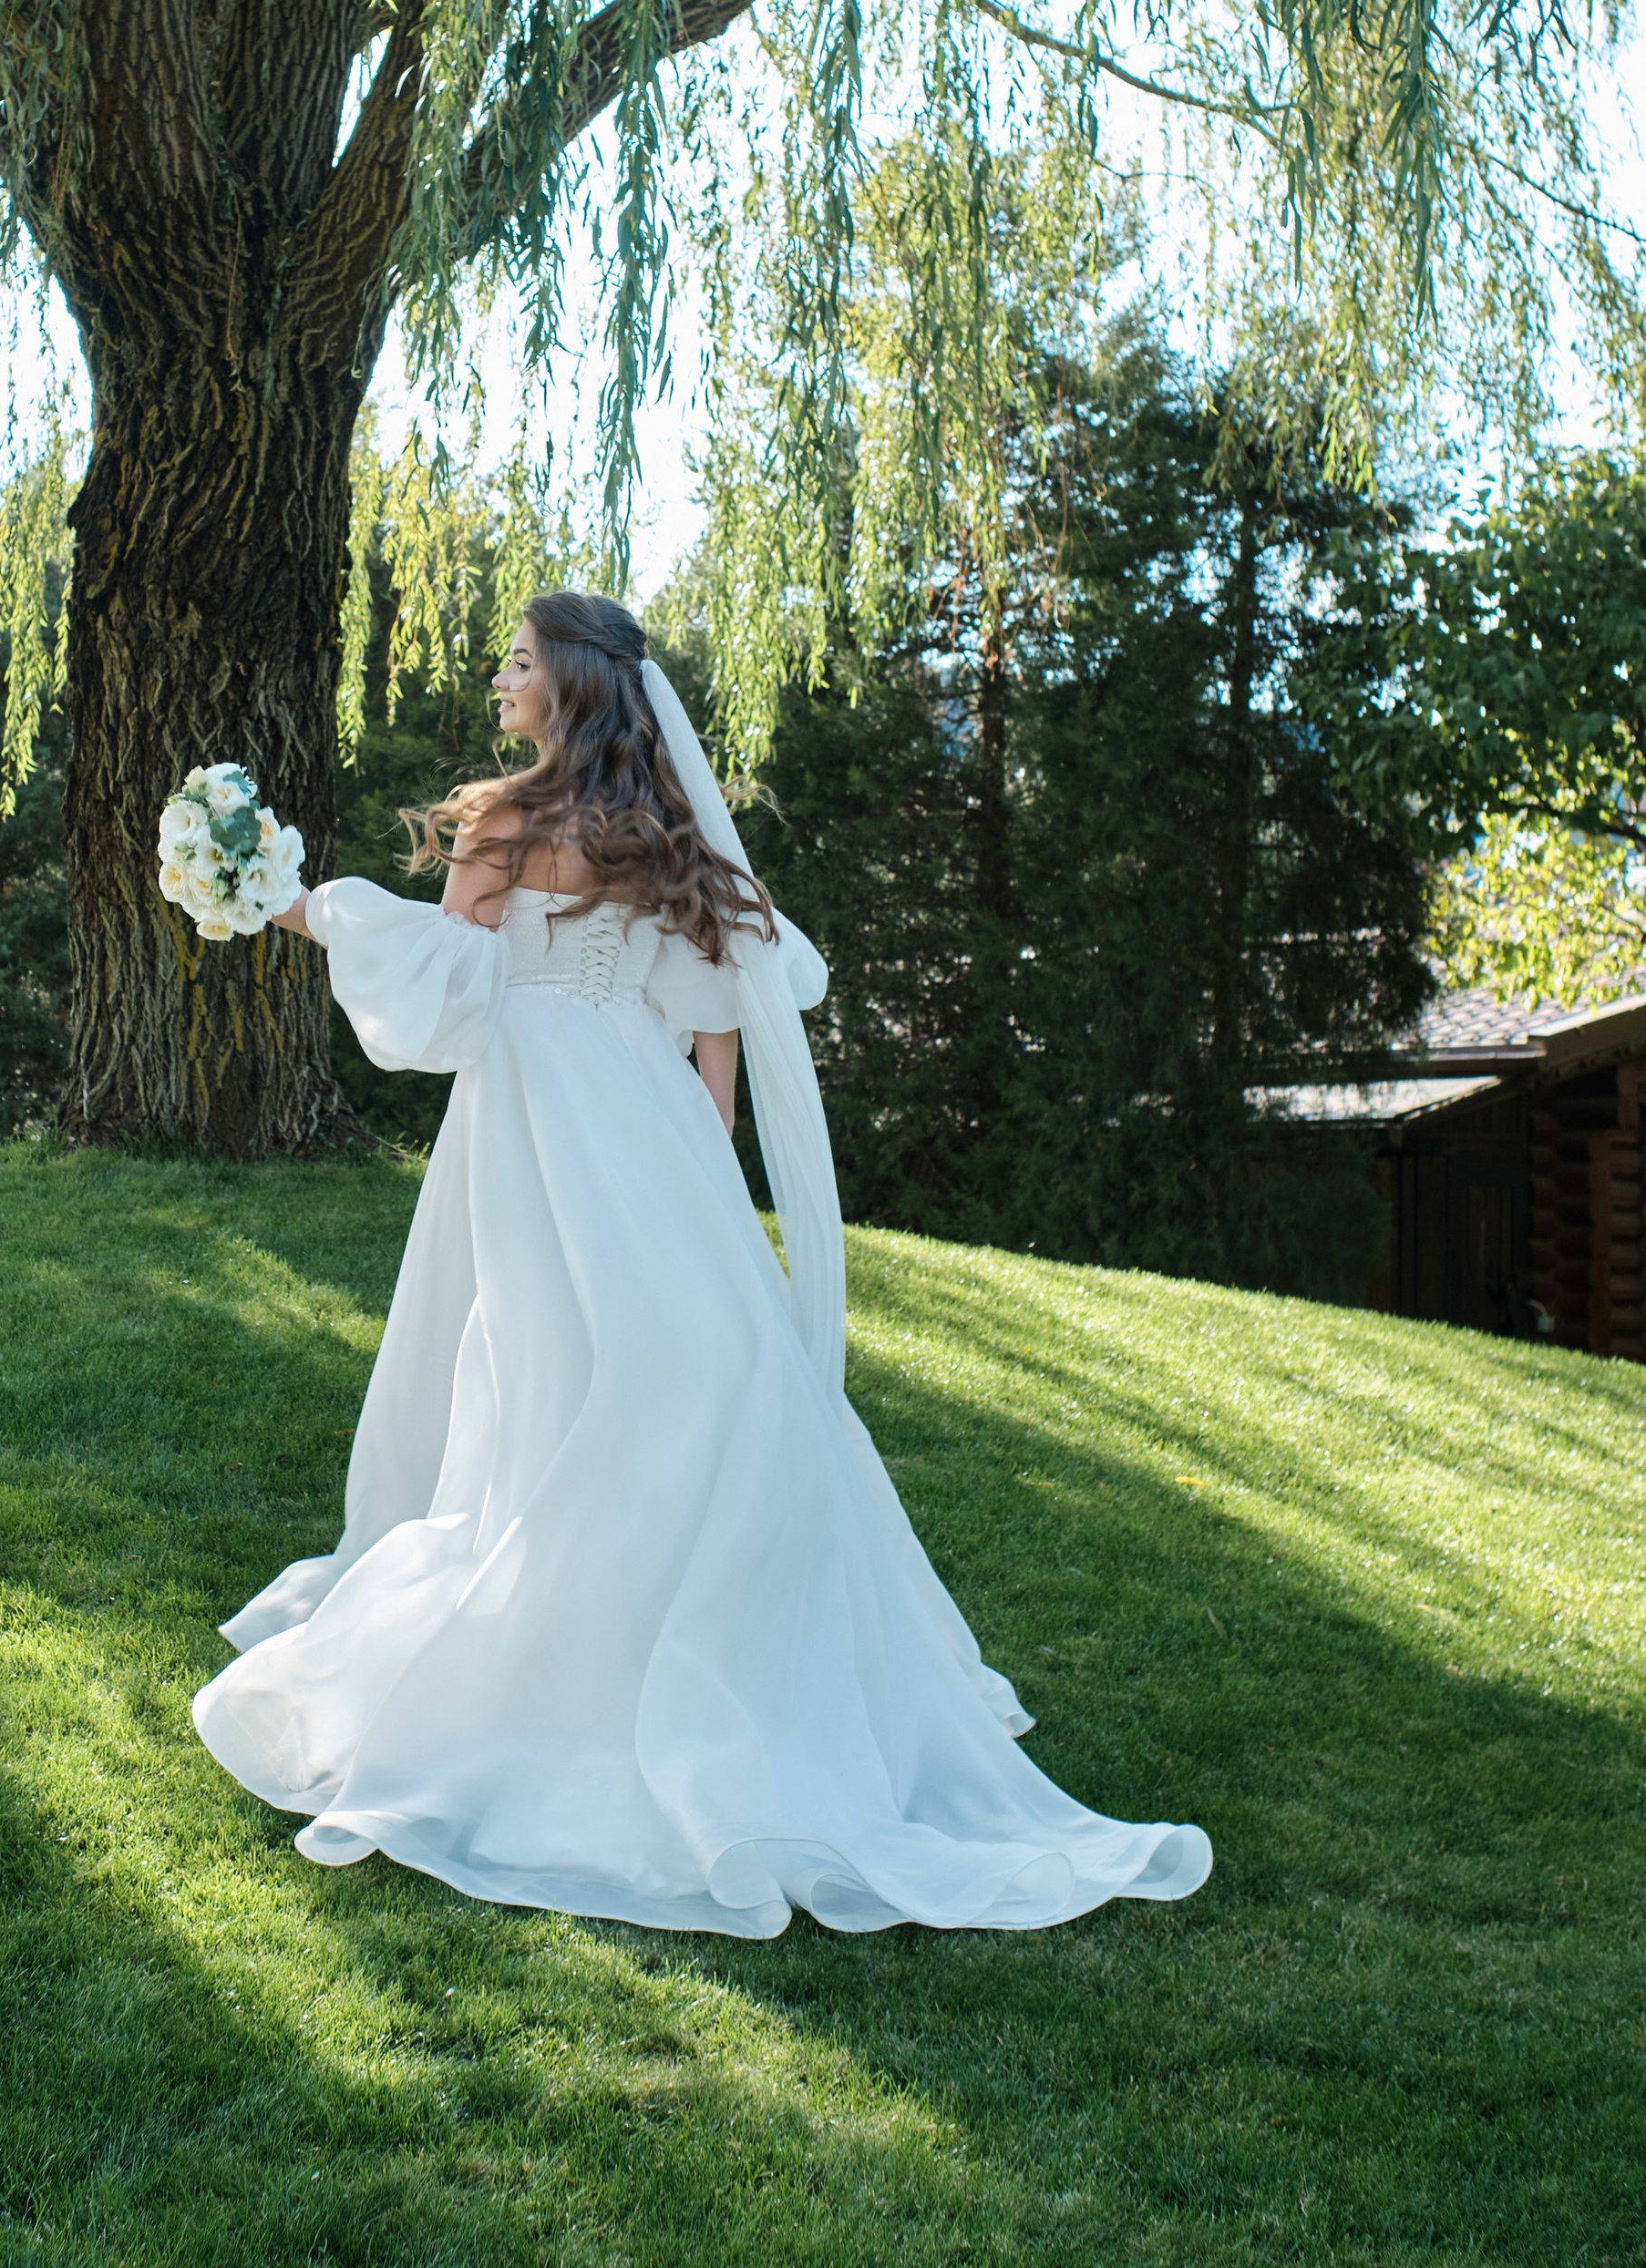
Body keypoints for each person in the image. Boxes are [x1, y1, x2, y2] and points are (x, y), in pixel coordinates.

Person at [189, 590, 1212, 1938]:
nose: (501, 680)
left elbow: (448, 990)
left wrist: (292, 907)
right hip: (630, 1124)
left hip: (551, 1122)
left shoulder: (516, 824)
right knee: (694, 1369)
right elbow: (718, 1021)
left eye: (517, 663)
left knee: (585, 1374)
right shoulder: (666, 830)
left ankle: (593, 1657)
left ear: (568, 684)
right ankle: (659, 1648)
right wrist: (704, 1162)